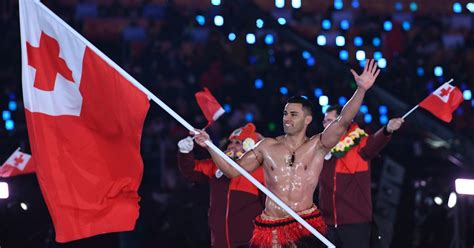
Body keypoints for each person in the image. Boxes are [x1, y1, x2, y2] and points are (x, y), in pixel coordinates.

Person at [193, 59, 381, 247]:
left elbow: (343, 120)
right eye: (285, 113)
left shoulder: (318, 145)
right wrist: (209, 145)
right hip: (271, 226)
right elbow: (232, 171)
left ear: (307, 119)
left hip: (304, 224)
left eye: (293, 114)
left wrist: (361, 90)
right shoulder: (267, 146)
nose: (287, 118)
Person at [318, 105, 404, 248]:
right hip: (327, 222)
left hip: (354, 222)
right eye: (325, 121)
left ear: (342, 122)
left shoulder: (358, 142)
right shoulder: (320, 146)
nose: (326, 125)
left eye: (330, 121)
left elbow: (374, 143)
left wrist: (387, 129)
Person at [177, 123, 265, 248]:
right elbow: (191, 171)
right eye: (231, 142)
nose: (231, 146)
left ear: (250, 146)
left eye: (238, 143)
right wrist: (185, 152)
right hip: (219, 242)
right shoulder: (216, 166)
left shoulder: (260, 172)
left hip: (251, 244)